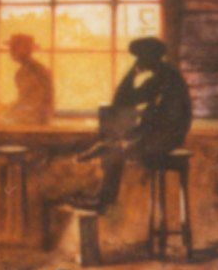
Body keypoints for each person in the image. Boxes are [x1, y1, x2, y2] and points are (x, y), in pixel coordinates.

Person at [82, 36, 192, 215]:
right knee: (114, 148)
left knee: (115, 152)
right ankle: (103, 197)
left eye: (141, 58)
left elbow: (169, 120)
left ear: (151, 58)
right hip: (158, 134)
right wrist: (132, 74)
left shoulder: (169, 78)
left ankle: (103, 200)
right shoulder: (159, 77)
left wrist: (137, 139)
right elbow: (122, 101)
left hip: (169, 137)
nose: (138, 61)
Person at [3, 33, 54, 125]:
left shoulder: (31, 70)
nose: (10, 52)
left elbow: (31, 101)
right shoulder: (32, 69)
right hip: (35, 120)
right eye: (11, 48)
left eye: (13, 48)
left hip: (33, 122)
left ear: (23, 50)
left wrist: (10, 112)